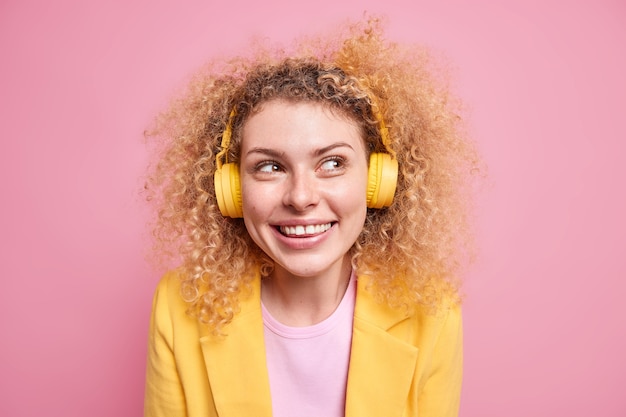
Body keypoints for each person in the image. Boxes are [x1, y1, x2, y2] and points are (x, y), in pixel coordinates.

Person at [143, 17, 478, 417]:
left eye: (333, 163)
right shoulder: (178, 306)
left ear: (377, 181)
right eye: (269, 167)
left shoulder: (433, 311)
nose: (301, 198)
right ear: (232, 190)